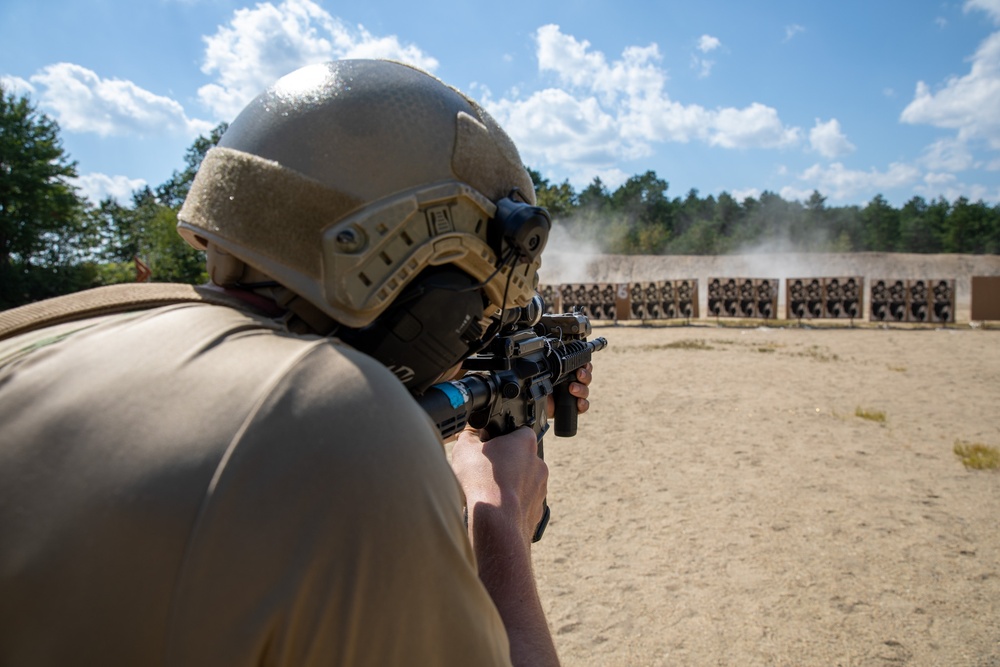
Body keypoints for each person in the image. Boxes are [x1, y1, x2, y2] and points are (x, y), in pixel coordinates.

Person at [0, 59, 592, 666]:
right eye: (478, 313)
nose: (473, 341)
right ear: (422, 272)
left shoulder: (53, 330)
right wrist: (502, 529)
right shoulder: (335, 425)